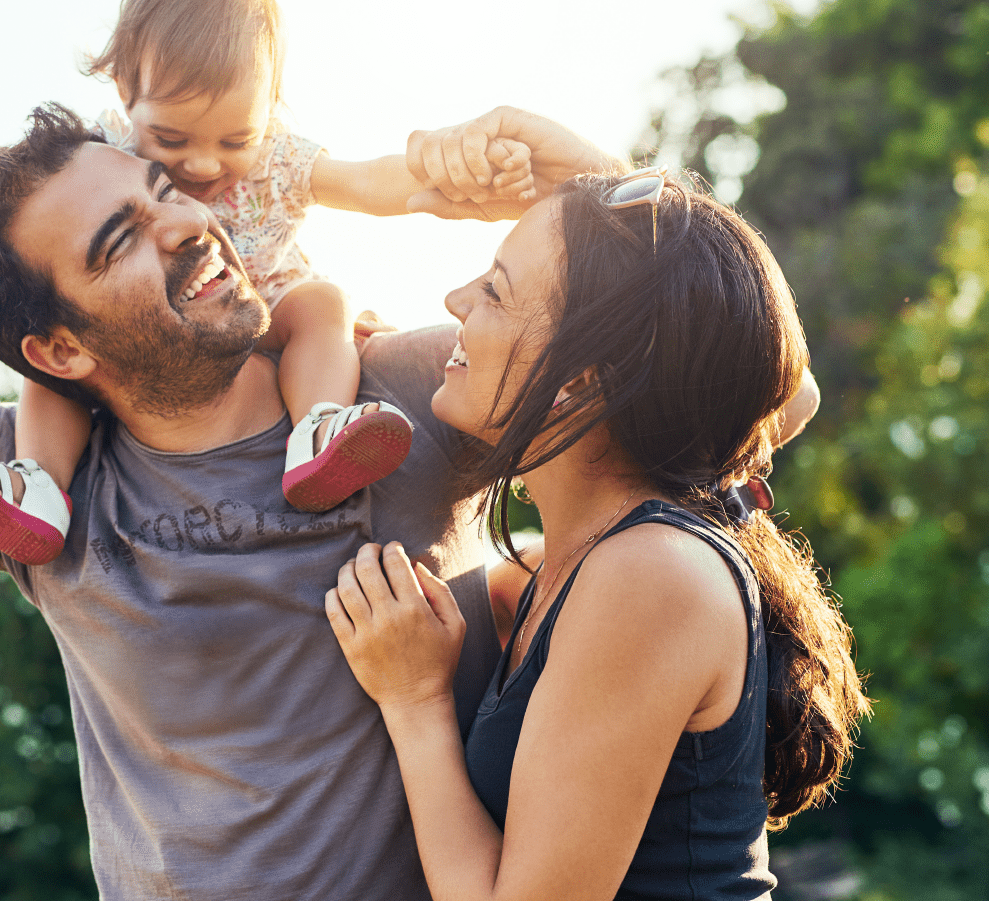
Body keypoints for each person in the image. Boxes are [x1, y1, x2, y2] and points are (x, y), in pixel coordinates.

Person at [0, 72, 599, 900]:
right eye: (121, 241)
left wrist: (593, 177)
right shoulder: (35, 485)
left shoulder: (405, 396)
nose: (186, 227)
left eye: (165, 194)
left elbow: (697, 363)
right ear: (60, 351)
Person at [325, 116, 865, 901]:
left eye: (496, 290)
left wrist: (416, 701)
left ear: (584, 380)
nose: (455, 299)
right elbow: (772, 382)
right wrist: (608, 204)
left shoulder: (650, 575)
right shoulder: (590, 560)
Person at [0, 0, 535, 563]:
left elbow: (365, 181)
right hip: (160, 329)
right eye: (172, 138)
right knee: (62, 359)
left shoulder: (279, 159)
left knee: (324, 304)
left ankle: (320, 427)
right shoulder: (109, 155)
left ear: (271, 109)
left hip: (262, 311)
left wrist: (448, 180)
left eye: (235, 138)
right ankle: (38, 485)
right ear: (125, 90)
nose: (205, 164)